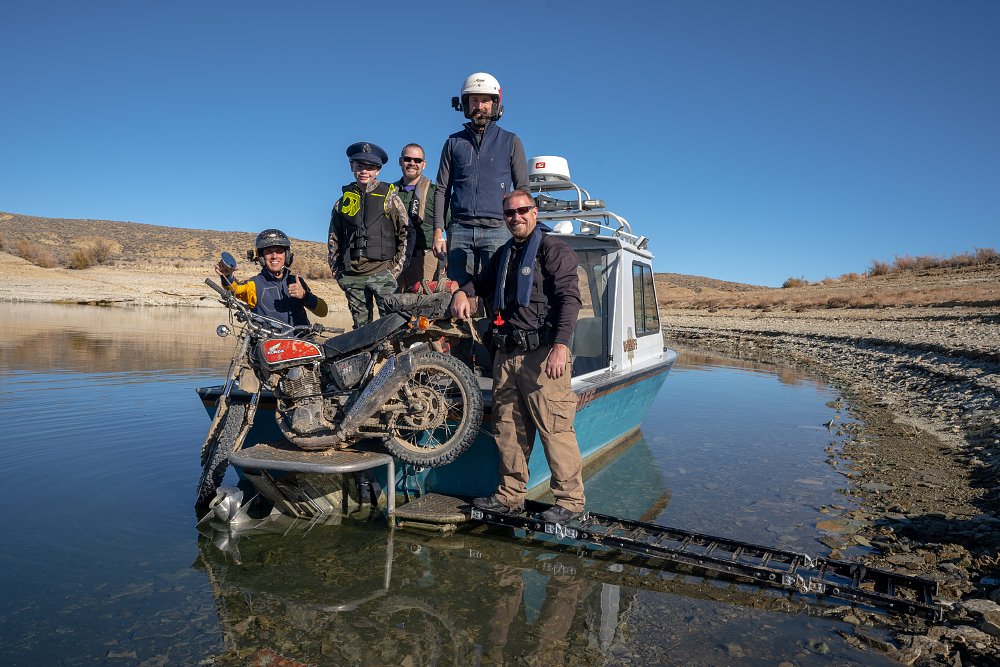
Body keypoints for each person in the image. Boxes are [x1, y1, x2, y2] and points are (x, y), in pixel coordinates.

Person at [450, 190, 585, 523]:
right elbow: (478, 284)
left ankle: (569, 503)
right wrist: (461, 293)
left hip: (543, 356)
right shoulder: (504, 254)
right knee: (508, 429)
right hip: (506, 357)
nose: (516, 217)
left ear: (534, 213)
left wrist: (560, 346)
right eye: (509, 213)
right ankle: (510, 497)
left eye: (522, 211)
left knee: (556, 429)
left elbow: (570, 300)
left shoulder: (554, 250)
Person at [433, 72, 530, 286]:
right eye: (474, 100)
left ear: (495, 104)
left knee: (499, 295)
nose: (480, 105)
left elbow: (523, 189)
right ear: (465, 104)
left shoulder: (511, 142)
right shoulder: (453, 143)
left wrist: (522, 229)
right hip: (459, 230)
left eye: (485, 100)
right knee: (456, 294)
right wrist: (438, 231)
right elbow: (442, 190)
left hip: (498, 229)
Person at [328, 142, 408, 328]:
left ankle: (392, 359)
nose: (364, 171)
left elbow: (405, 233)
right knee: (361, 332)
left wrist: (395, 270)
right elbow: (333, 239)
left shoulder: (390, 197)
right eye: (359, 166)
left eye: (370, 167)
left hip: (382, 273)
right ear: (351, 166)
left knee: (391, 327)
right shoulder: (341, 203)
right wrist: (338, 273)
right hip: (352, 276)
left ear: (378, 170)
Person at [214, 228, 328, 326]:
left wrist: (305, 296)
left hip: (300, 345)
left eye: (279, 251)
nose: (274, 256)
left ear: (286, 255)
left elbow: (323, 312)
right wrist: (227, 275)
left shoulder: (297, 282)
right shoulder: (254, 285)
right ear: (261, 257)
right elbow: (236, 289)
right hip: (267, 346)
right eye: (268, 252)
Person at [394, 143, 440, 292]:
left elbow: (452, 223)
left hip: (426, 259)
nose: (412, 163)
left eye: (417, 160)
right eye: (408, 159)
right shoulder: (388, 191)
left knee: (426, 308)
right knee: (394, 306)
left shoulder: (436, 192)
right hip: (395, 260)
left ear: (424, 164)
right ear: (400, 161)